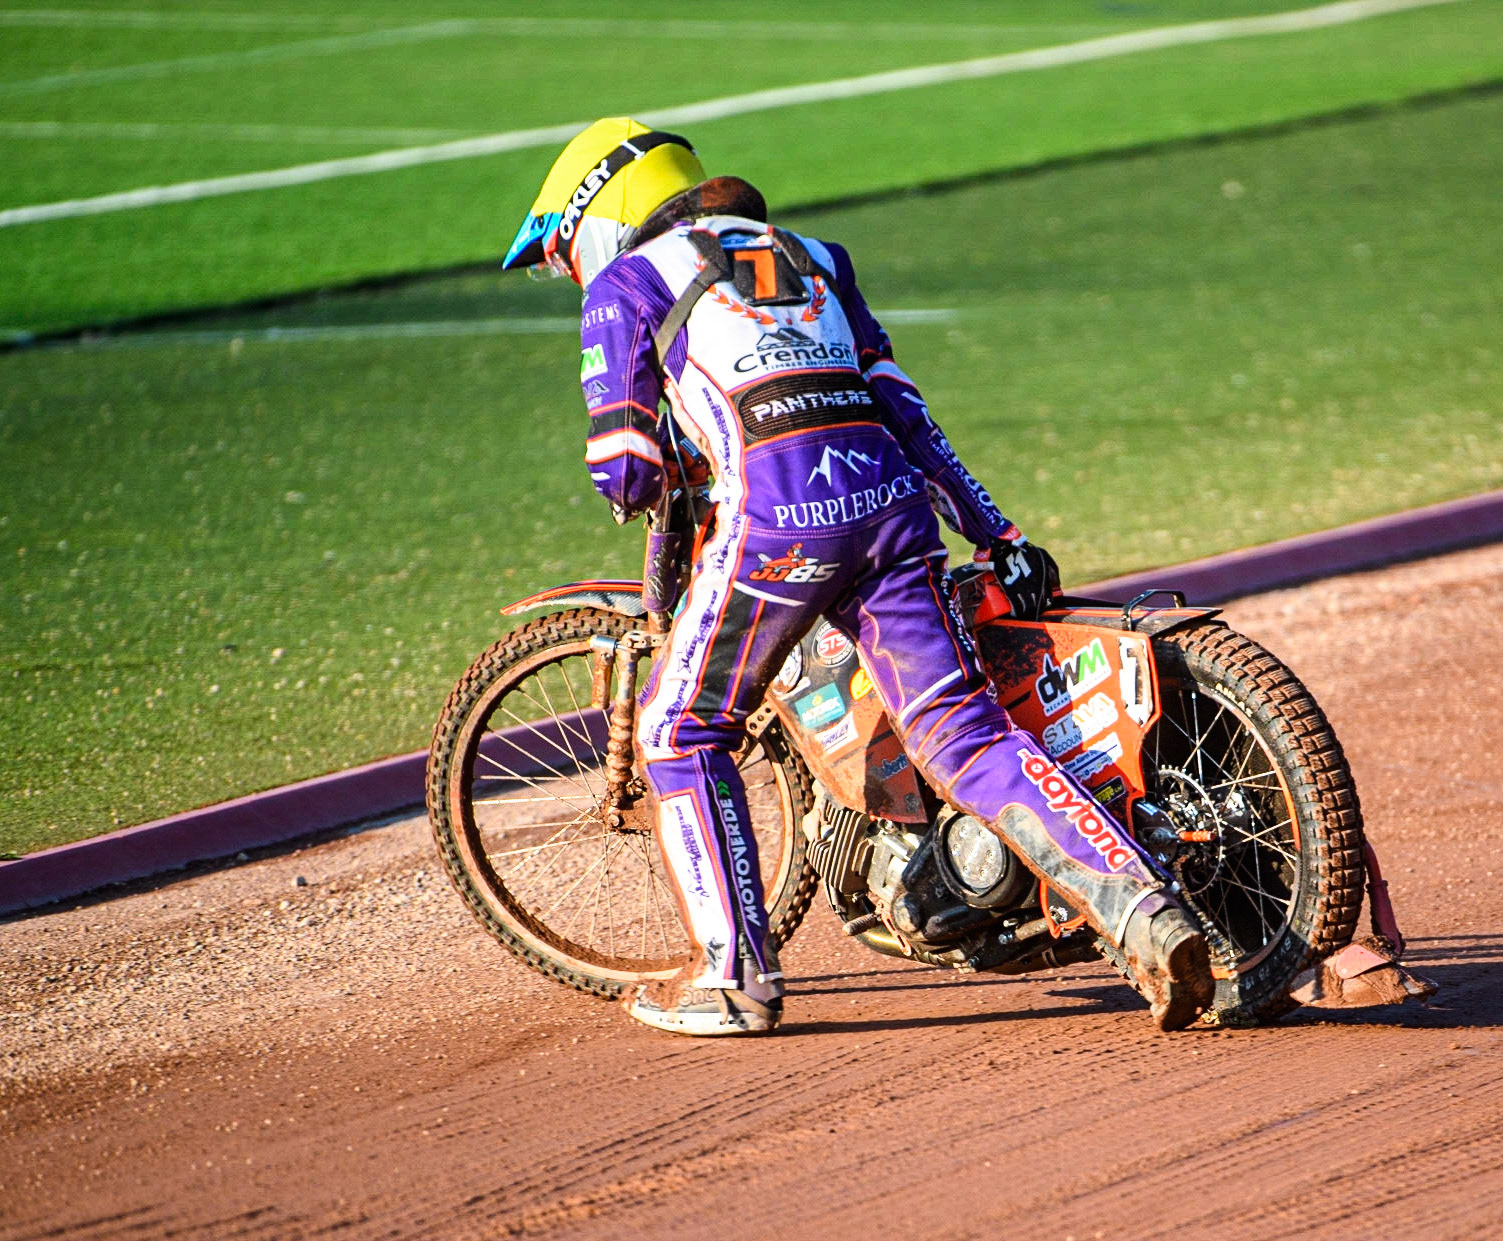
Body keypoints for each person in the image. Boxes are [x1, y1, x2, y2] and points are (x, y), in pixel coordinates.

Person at [502, 118, 1212, 1036]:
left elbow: (627, 468)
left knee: (680, 729)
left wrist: (683, 451)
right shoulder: (815, 256)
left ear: (598, 214)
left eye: (564, 254)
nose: (571, 275)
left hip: (777, 523)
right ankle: (1146, 910)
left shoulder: (630, 283)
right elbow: (904, 408)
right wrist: (997, 532)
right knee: (963, 731)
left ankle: (734, 979)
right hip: (894, 510)